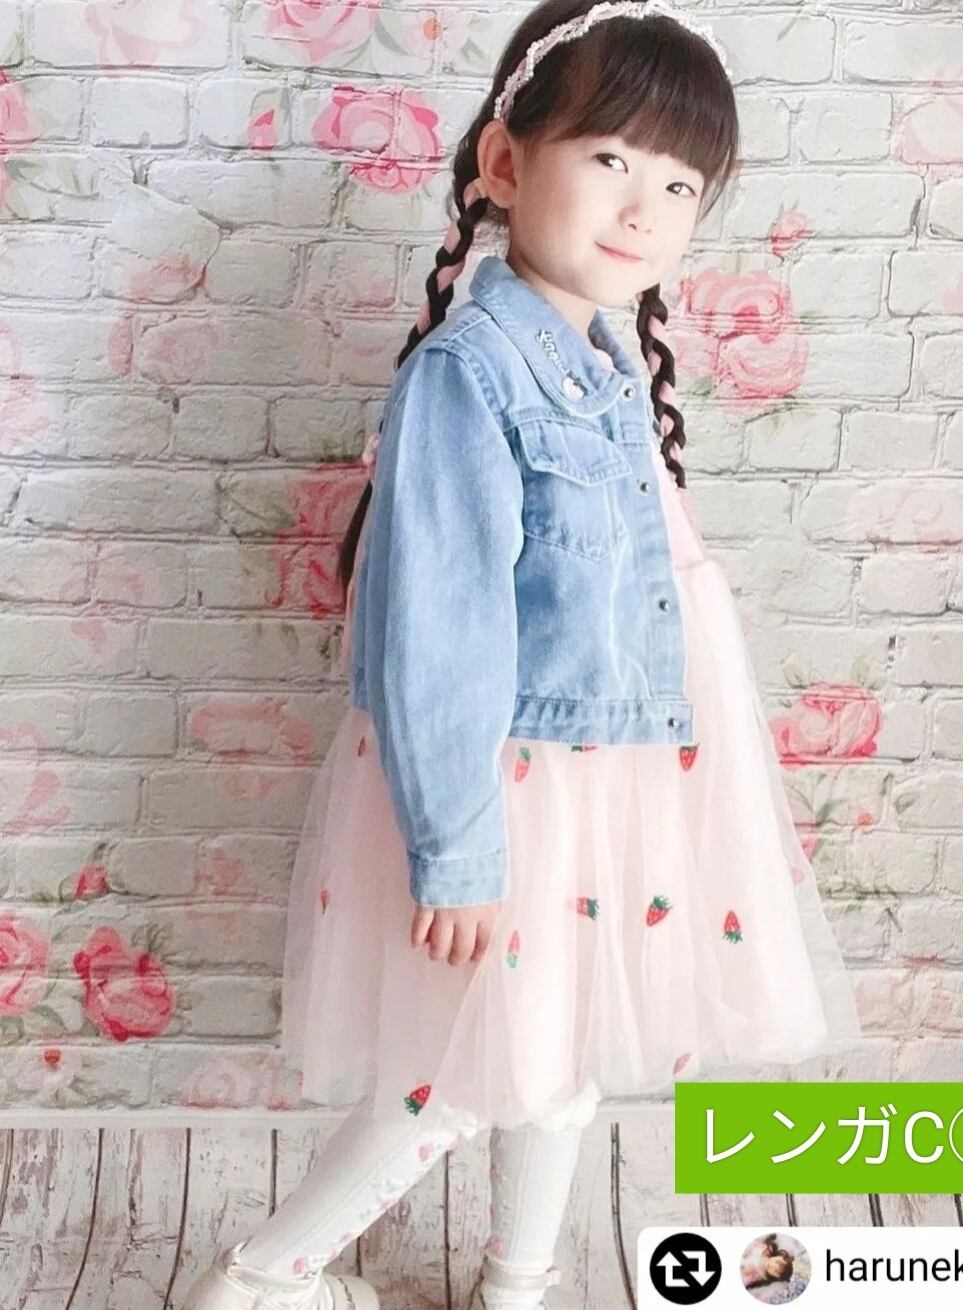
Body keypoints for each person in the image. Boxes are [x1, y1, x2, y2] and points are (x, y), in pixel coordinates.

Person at [181, 1, 863, 1307]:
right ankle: (259, 1280)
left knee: (566, 1055)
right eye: (609, 158)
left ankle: (520, 1280)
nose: (645, 207)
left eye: (681, 185)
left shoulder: (604, 361)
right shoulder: (471, 375)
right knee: (455, 1074)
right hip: (515, 793)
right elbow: (437, 630)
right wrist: (459, 850)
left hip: (613, 784)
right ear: (505, 161)